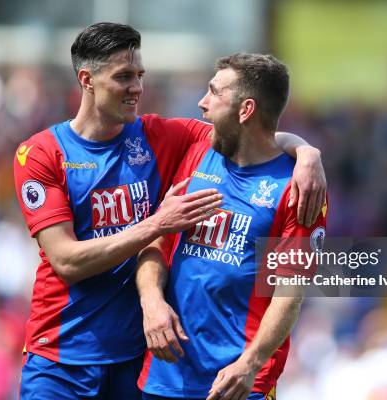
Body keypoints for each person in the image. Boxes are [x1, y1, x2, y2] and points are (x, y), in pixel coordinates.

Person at [13, 22, 325, 399]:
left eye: (140, 75)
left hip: (137, 358)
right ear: (87, 79)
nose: (138, 88)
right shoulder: (43, 154)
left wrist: (307, 153)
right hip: (62, 355)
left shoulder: (162, 137)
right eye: (124, 77)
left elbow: (251, 135)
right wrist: (157, 225)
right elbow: (66, 261)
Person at [136, 53, 328, 400]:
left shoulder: (297, 189)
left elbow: (288, 295)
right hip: (166, 377)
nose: (202, 102)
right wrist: (151, 302)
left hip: (237, 383)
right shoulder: (196, 153)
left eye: (214, 92)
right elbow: (157, 243)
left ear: (245, 110)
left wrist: (251, 363)